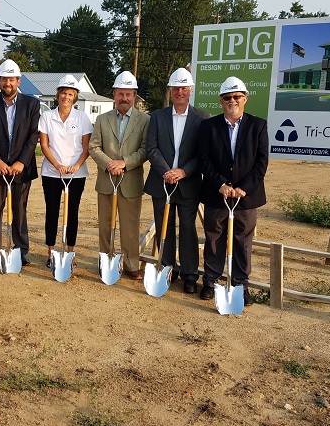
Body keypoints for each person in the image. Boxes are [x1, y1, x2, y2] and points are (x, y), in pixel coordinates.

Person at [198, 76, 268, 306]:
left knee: (242, 240)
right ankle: (211, 281)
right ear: (221, 101)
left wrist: (243, 189)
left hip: (245, 198)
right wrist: (220, 184)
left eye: (237, 96)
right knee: (214, 238)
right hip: (217, 194)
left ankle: (240, 285)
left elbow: (261, 162)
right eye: (227, 97)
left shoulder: (258, 126)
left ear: (245, 99)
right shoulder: (209, 126)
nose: (232, 101)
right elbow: (204, 159)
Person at [144, 67, 205, 294]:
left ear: (190, 90)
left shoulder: (201, 118)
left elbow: (202, 154)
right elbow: (151, 148)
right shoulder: (157, 117)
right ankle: (168, 268)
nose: (179, 92)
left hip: (188, 184)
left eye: (183, 88)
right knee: (164, 228)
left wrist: (182, 172)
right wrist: (167, 171)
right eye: (175, 88)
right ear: (170, 91)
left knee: (188, 229)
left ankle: (190, 275)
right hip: (161, 182)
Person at [0, 59, 41, 267]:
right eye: (4, 79)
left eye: (11, 79)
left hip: (21, 169)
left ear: (18, 81)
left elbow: (33, 135)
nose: (8, 83)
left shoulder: (32, 104)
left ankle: (21, 249)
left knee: (20, 209)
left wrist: (22, 162)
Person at [88, 70, 149, 279]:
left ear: (134, 96)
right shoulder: (102, 119)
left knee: (130, 226)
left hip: (130, 180)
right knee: (106, 225)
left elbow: (145, 149)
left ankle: (132, 264)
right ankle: (106, 260)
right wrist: (109, 164)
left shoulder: (145, 120)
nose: (124, 98)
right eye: (121, 94)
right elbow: (93, 147)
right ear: (114, 94)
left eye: (128, 94)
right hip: (106, 180)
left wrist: (125, 163)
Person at [38, 75, 93, 268]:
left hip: (76, 174)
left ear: (75, 96)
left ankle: (70, 252)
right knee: (52, 211)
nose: (66, 97)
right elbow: (44, 145)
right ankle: (51, 252)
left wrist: (76, 166)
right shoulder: (46, 116)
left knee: (72, 213)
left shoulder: (82, 117)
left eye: (70, 94)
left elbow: (86, 147)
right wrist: (57, 165)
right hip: (52, 173)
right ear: (58, 95)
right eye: (63, 93)